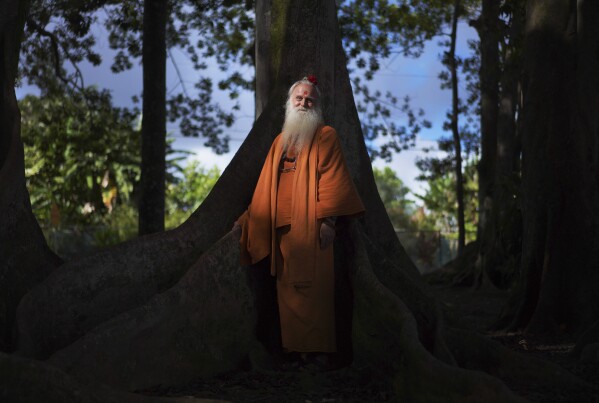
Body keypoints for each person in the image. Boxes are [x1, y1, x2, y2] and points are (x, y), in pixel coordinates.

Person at [235, 76, 364, 369]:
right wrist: (247, 220)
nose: (304, 103)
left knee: (314, 290)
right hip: (280, 229)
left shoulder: (326, 135)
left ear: (317, 106)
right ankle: (294, 351)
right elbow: (264, 185)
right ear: (290, 103)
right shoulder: (280, 141)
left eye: (309, 100)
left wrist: (329, 222)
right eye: (299, 99)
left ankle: (317, 353)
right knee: (287, 290)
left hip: (312, 227)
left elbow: (332, 179)